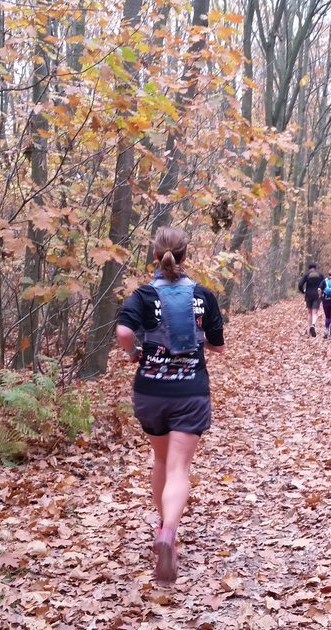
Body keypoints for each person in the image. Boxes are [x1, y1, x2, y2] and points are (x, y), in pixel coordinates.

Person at [115, 227, 225, 585]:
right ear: (185, 255)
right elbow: (217, 344)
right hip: (190, 391)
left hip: (151, 392)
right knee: (179, 467)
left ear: (155, 256)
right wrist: (199, 344)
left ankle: (163, 527)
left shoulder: (143, 296)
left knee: (160, 459)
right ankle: (168, 534)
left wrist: (134, 354)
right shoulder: (203, 296)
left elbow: (123, 333)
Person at [297, 263, 323, 337]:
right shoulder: (320, 274)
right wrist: (322, 292)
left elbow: (300, 285)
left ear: (309, 268)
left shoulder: (306, 274)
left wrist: (303, 291)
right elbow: (324, 284)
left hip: (308, 294)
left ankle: (309, 328)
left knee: (309, 312)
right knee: (315, 312)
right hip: (317, 294)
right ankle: (313, 325)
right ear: (315, 268)